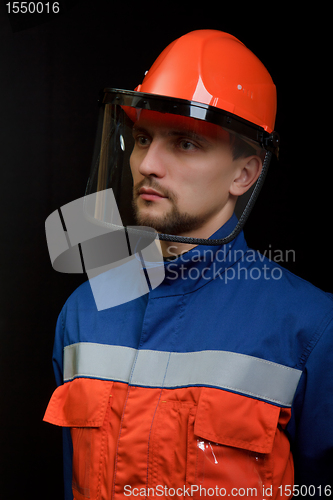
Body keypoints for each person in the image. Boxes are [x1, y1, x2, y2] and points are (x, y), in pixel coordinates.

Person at [44, 30, 333, 500]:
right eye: (141, 138)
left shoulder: (310, 328)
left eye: (184, 143)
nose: (148, 164)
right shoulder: (85, 312)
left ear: (244, 173)